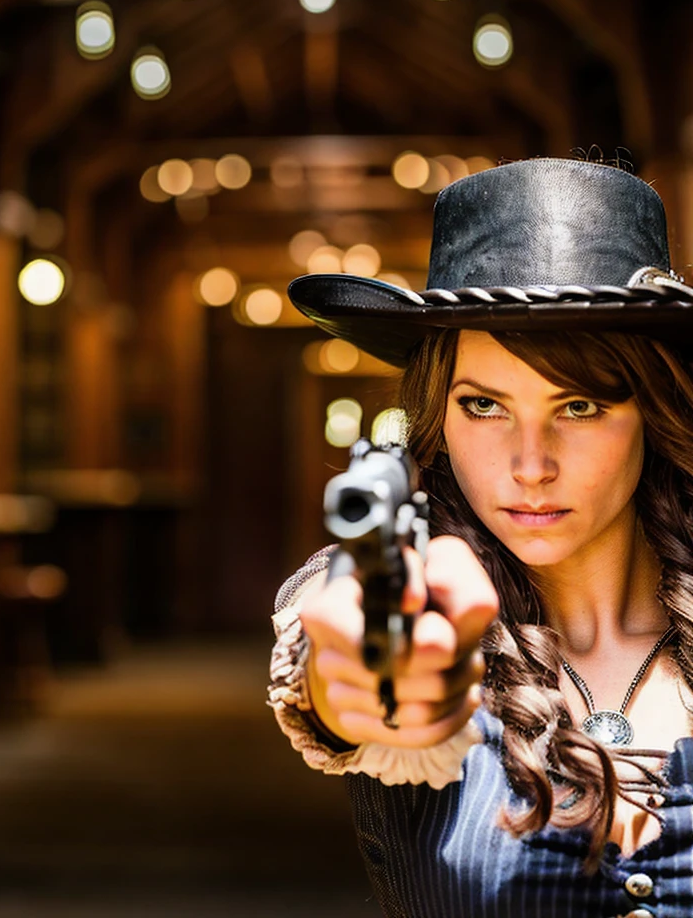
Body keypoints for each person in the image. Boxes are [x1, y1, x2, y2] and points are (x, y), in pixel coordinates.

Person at [267, 157, 693, 918]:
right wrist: (372, 676)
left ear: (653, 412)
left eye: (582, 406)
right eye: (484, 406)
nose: (530, 465)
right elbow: (338, 643)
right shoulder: (402, 588)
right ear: (438, 414)